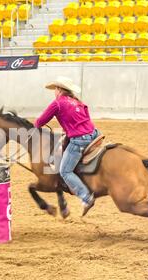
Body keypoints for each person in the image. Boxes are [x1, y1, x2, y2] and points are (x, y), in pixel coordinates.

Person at [34, 76, 101, 215]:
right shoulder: (78, 101)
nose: (54, 91)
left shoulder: (57, 103)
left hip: (80, 139)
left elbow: (41, 121)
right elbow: (84, 119)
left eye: (55, 89)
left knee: (65, 171)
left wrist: (34, 125)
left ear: (59, 89)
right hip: (94, 134)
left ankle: (86, 197)